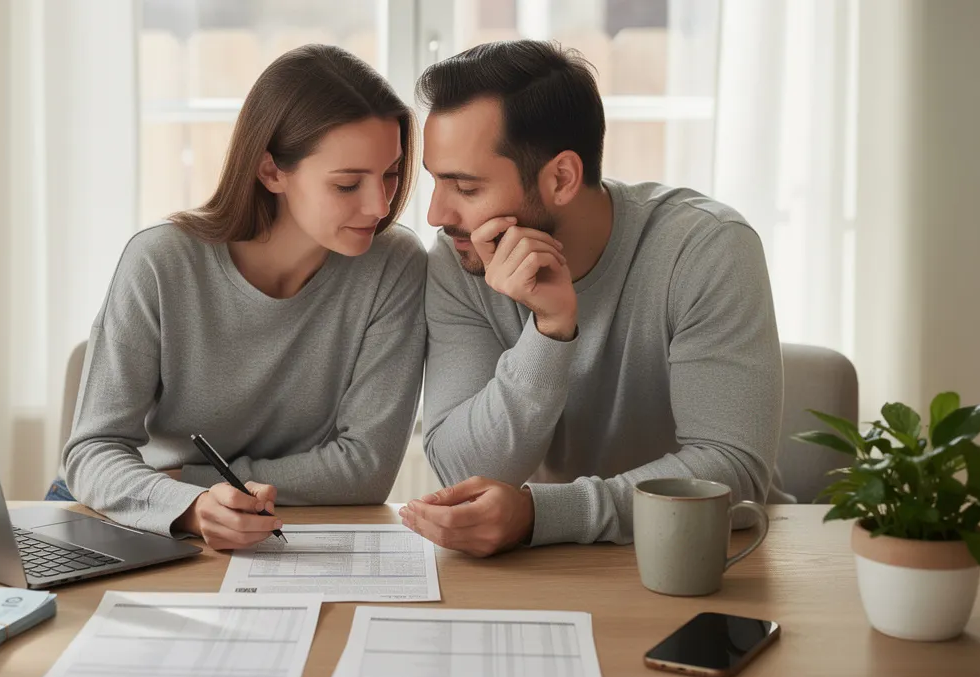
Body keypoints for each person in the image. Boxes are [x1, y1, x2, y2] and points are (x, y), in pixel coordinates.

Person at [399, 40, 789, 557]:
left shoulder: (706, 248)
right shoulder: (459, 259)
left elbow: (732, 469)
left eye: (465, 189)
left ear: (561, 178)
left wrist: (544, 514)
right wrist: (549, 332)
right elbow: (462, 470)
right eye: (435, 182)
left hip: (705, 557)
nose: (436, 215)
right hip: (540, 569)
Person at [53, 44, 427, 552]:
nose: (380, 205)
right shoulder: (160, 262)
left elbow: (365, 470)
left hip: (271, 523)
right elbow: (92, 453)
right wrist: (187, 505)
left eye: (391, 173)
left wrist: (197, 480)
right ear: (271, 171)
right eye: (347, 184)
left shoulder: (393, 264)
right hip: (142, 510)